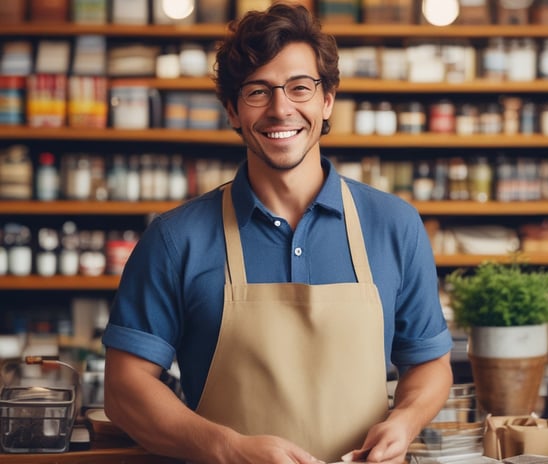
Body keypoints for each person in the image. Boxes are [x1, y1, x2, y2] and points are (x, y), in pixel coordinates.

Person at [102, 3, 453, 464]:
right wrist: (227, 448)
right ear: (232, 110)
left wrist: (404, 421)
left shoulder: (394, 225)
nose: (280, 108)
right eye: (257, 92)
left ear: (327, 100)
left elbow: (429, 365)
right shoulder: (175, 239)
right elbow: (124, 390)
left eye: (300, 88)